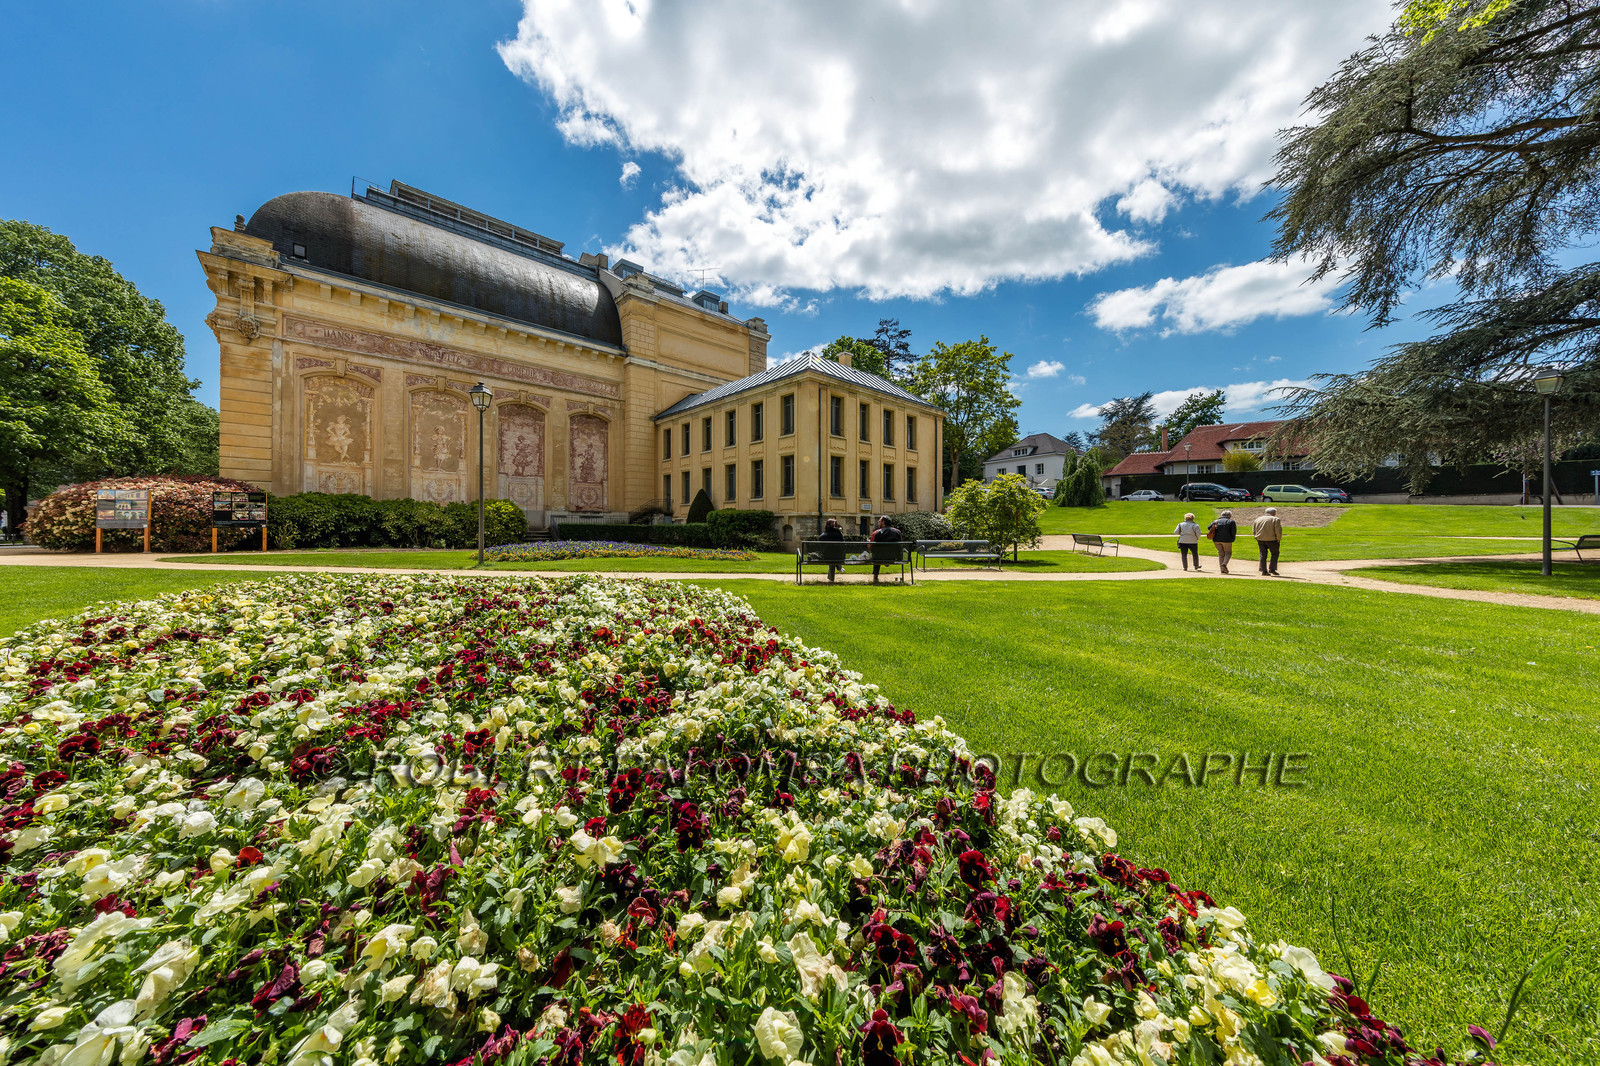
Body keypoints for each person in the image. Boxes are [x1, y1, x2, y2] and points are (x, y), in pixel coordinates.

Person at [869, 515, 904, 583]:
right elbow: (900, 546)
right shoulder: (897, 532)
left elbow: (874, 548)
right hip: (893, 557)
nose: (878, 523)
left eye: (879, 521)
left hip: (879, 558)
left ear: (883, 522)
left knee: (876, 555)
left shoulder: (877, 533)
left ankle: (875, 577)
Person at [1252, 507, 1284, 575]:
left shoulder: (1258, 519)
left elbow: (1254, 530)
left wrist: (1256, 537)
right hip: (1272, 540)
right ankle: (1272, 569)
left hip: (1260, 539)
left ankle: (1263, 570)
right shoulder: (1275, 519)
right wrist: (1278, 538)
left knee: (1262, 555)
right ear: (1273, 513)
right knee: (1275, 554)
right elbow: (1278, 530)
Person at [1207, 509, 1238, 574]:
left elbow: (1209, 527)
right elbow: (1233, 532)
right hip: (1227, 540)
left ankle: (1222, 569)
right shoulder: (1231, 521)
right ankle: (1224, 564)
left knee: (1221, 554)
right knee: (1228, 552)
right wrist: (1232, 539)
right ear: (1229, 516)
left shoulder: (1216, 521)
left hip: (1216, 540)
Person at [819, 517, 845, 582]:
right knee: (834, 556)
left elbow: (820, 542)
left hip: (826, 556)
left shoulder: (823, 535)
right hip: (839, 556)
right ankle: (839, 567)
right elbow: (843, 543)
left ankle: (831, 578)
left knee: (831, 556)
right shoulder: (839, 534)